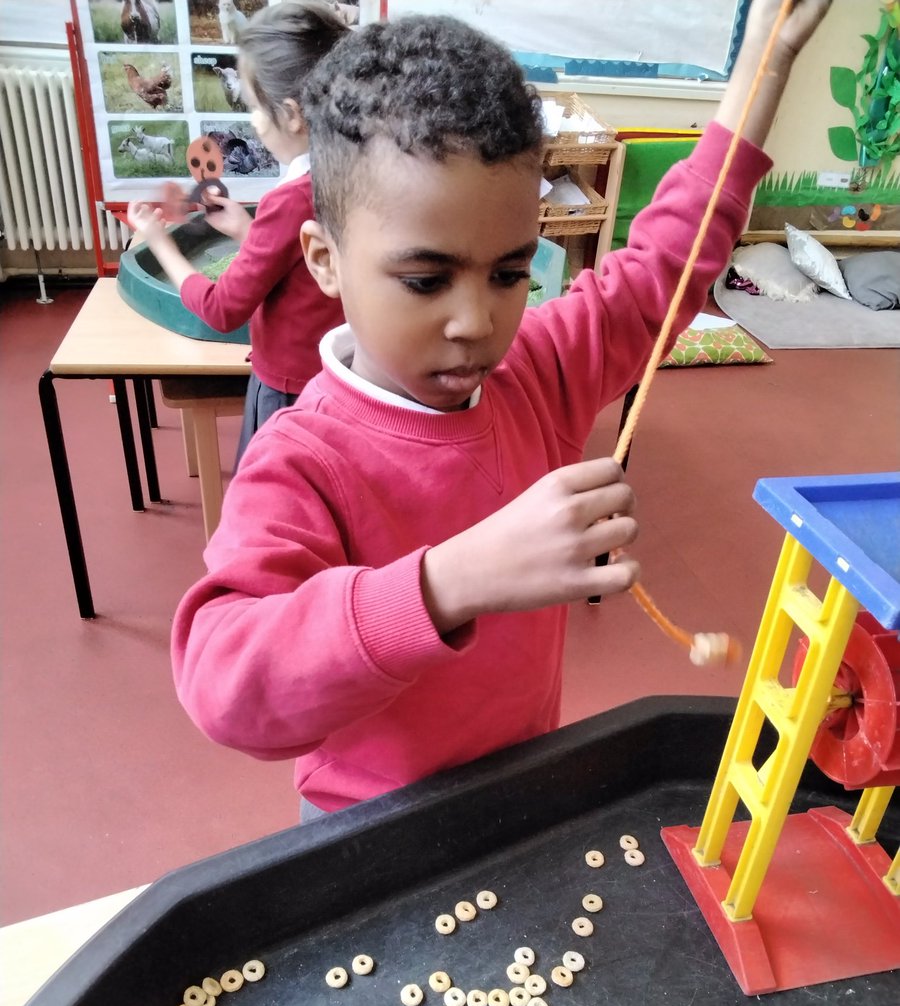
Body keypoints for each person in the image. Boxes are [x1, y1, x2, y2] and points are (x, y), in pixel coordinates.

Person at [172, 1, 832, 817]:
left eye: (510, 274)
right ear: (325, 262)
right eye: (425, 280)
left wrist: (763, 68)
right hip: (367, 835)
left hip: (520, 796)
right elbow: (224, 683)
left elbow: (667, 260)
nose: (475, 322)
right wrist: (450, 582)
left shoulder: (536, 370)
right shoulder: (301, 457)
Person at [126, 1, 348, 463]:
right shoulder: (349, 171)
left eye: (253, 106)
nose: (251, 121)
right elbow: (312, 268)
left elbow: (221, 309)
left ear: (291, 115)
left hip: (289, 388)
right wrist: (249, 231)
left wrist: (159, 242)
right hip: (336, 376)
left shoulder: (291, 199)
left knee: (275, 494)